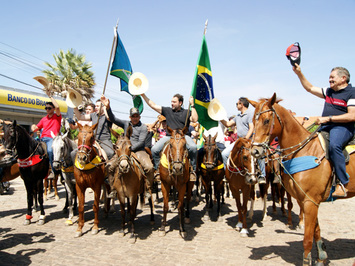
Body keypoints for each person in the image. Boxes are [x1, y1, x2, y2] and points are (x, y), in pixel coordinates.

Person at [293, 64, 355, 197]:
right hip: (325, 127)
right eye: (329, 77)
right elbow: (309, 88)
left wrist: (328, 118)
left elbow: (352, 116)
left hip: (343, 127)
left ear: (343, 78)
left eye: (332, 77)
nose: (329, 80)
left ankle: (342, 183)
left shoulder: (352, 92)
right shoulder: (328, 91)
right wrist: (299, 73)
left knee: (334, 145)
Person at [101, 95, 154, 199]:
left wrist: (130, 149)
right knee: (109, 166)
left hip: (138, 150)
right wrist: (108, 107)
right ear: (130, 117)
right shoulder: (126, 123)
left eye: (136, 116)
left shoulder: (143, 127)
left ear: (139, 117)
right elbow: (113, 118)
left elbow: (141, 141)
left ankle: (147, 188)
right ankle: (113, 189)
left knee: (149, 167)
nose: (135, 118)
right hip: (124, 151)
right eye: (133, 116)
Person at [141, 93, 198, 181]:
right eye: (171, 102)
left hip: (183, 137)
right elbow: (153, 105)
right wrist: (143, 95)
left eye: (174, 102)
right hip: (169, 137)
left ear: (180, 103)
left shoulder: (186, 112)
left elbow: (195, 119)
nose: (172, 103)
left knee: (193, 148)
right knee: (154, 149)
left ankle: (192, 171)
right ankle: (158, 171)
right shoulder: (167, 110)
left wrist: (192, 105)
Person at [221, 97, 266, 184]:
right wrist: (219, 118)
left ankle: (262, 175)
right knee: (224, 154)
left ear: (241, 104)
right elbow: (228, 124)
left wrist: (245, 140)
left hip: (249, 140)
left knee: (259, 155)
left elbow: (251, 128)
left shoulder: (250, 114)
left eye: (237, 104)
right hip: (239, 141)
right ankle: (227, 174)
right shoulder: (238, 116)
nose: (236, 105)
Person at [70, 99, 114, 164]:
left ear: (102, 107)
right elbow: (80, 117)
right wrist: (74, 105)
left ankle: (109, 172)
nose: (96, 108)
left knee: (111, 153)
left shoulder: (107, 116)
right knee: (73, 154)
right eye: (95, 106)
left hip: (105, 140)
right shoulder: (93, 115)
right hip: (93, 139)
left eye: (98, 106)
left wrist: (105, 107)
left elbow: (109, 118)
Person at [31, 91, 62, 179]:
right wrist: (33, 126)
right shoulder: (43, 119)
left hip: (52, 139)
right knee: (30, 148)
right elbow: (35, 128)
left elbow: (58, 107)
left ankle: (53, 170)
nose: (47, 109)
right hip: (42, 139)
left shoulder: (57, 116)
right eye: (46, 108)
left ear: (53, 109)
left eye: (49, 108)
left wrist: (50, 96)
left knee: (50, 151)